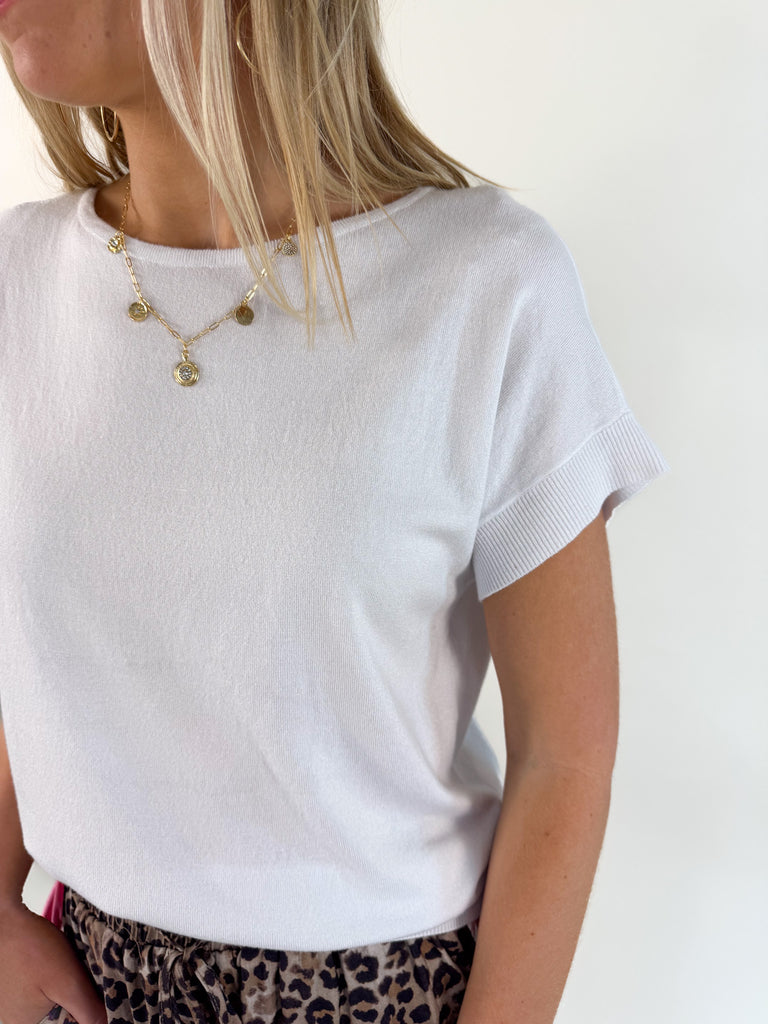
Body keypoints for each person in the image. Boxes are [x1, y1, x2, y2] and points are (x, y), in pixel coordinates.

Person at [0, 2, 670, 1023]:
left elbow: (563, 755)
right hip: (80, 978)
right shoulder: (19, 281)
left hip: (380, 994)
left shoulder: (486, 285)